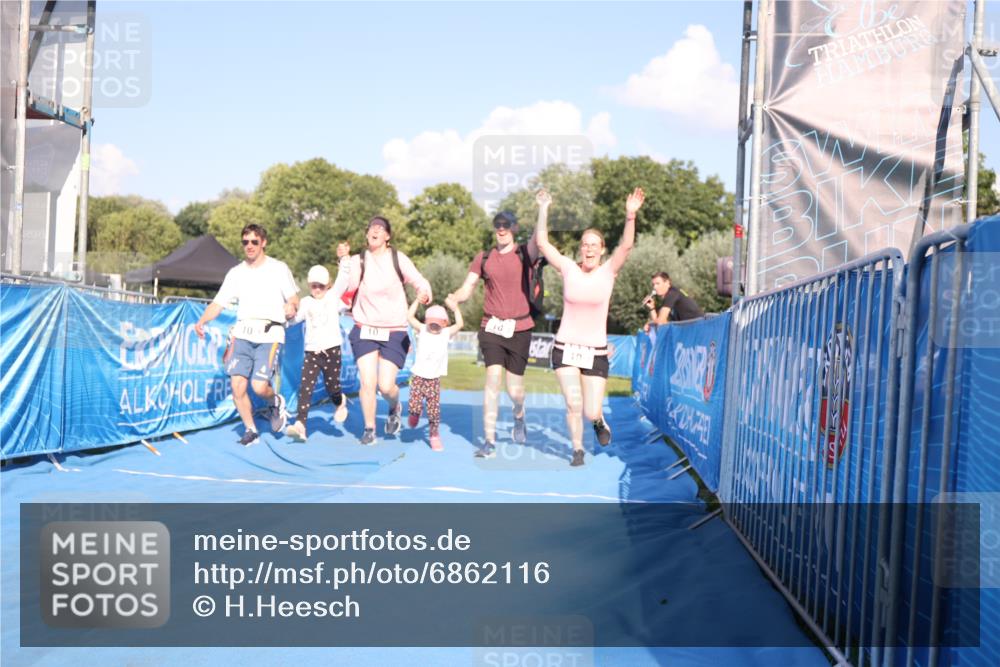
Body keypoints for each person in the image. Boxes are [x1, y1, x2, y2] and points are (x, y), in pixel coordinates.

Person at [535, 186, 644, 466]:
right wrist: (544, 209)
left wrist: (630, 216)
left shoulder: (609, 271)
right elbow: (544, 244)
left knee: (591, 410)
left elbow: (627, 246)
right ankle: (577, 450)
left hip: (595, 352)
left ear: (602, 249)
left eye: (595, 244)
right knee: (573, 404)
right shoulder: (569, 268)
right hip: (565, 349)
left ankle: (597, 422)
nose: (589, 248)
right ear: (580, 249)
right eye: (585, 244)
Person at [195, 224, 299, 446]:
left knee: (259, 387)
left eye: (254, 241)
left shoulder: (278, 268)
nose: (249, 246)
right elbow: (218, 303)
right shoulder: (236, 273)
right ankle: (251, 429)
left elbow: (294, 298)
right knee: (237, 387)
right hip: (242, 334)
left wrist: (291, 306)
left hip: (269, 334)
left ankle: (275, 401)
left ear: (263, 242)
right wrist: (202, 321)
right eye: (245, 242)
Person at [448, 210, 540, 459]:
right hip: (491, 327)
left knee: (514, 390)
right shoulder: (484, 257)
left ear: (514, 228)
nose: (501, 229)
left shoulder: (524, 253)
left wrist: (542, 208)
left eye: (506, 225)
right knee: (492, 380)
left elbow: (539, 238)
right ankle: (489, 441)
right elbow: (468, 286)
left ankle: (519, 415)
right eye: (498, 225)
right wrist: (456, 297)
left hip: (520, 328)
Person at [345, 216, 432, 446]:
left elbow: (419, 280)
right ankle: (369, 429)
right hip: (365, 327)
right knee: (367, 382)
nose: (374, 231)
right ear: (367, 234)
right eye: (371, 227)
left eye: (379, 228)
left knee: (385, 386)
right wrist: (344, 263)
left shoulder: (397, 258)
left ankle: (394, 406)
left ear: (387, 236)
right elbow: (348, 287)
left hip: (394, 330)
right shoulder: (358, 260)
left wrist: (424, 293)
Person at [285, 243, 352, 442]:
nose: (317, 289)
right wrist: (287, 315)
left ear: (328, 285)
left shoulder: (332, 297)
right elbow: (294, 320)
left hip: (332, 351)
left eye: (321, 286)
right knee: (305, 387)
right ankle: (301, 425)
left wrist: (345, 258)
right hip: (312, 353)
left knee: (333, 388)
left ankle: (340, 402)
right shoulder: (306, 302)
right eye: (313, 286)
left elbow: (344, 278)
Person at [405, 296, 464, 451]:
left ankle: (434, 435)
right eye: (431, 324)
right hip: (418, 376)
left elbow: (460, 324)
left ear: (445, 323)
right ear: (426, 322)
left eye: (437, 325)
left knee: (433, 411)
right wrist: (417, 300)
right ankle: (414, 414)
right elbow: (409, 317)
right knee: (414, 403)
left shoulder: (445, 333)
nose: (434, 327)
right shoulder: (422, 329)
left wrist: (455, 308)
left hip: (433, 379)